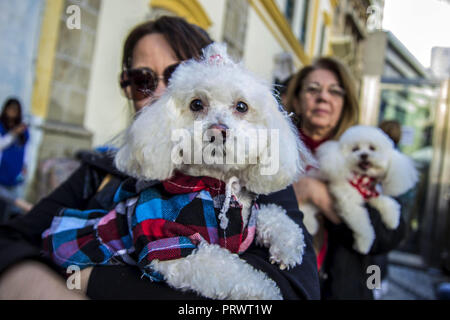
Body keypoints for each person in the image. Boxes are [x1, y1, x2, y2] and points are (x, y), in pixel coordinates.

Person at [0, 16, 319, 300]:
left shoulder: (256, 176)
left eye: (176, 74)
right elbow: (11, 242)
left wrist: (92, 281)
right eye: (142, 81)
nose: (159, 94)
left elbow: (295, 292)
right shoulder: (97, 171)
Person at [285, 57, 406, 299]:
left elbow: (389, 235)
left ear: (345, 103)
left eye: (335, 92)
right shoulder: (274, 150)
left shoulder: (366, 155)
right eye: (313, 89)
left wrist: (318, 194)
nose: (323, 97)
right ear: (297, 100)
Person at [0, 98, 32, 221]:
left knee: (12, 211)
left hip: (16, 171)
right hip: (2, 170)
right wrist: (13, 133)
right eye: (10, 109)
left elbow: (27, 149)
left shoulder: (23, 130)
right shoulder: (2, 126)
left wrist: (25, 167)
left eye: (15, 110)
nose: (12, 113)